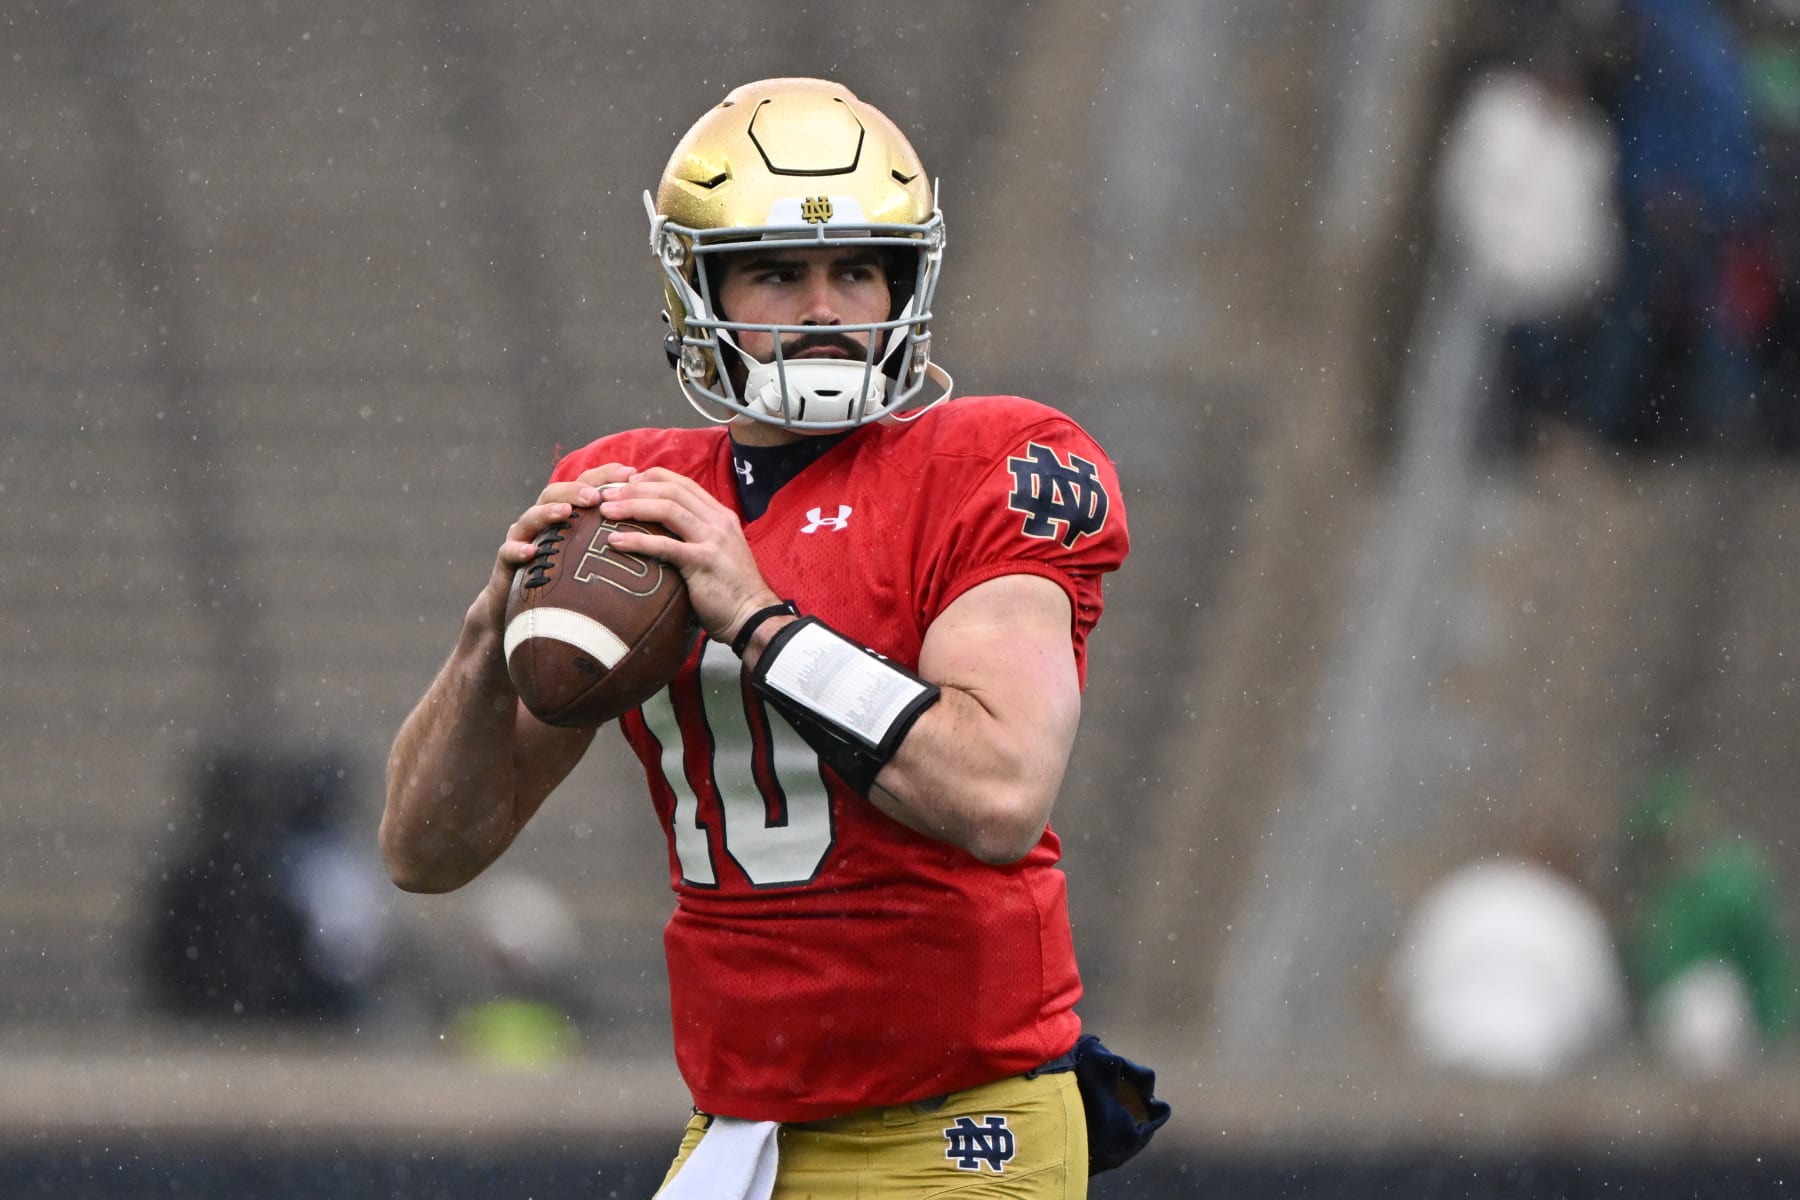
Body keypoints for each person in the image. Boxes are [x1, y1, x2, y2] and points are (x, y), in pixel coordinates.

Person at [381, 78, 1165, 1198]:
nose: (825, 307)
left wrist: (757, 620)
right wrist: (480, 644)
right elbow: (427, 851)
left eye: (856, 269)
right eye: (776, 272)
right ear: (697, 289)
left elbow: (1000, 792)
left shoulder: (991, 461)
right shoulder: (630, 500)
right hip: (741, 1133)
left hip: (952, 1133)